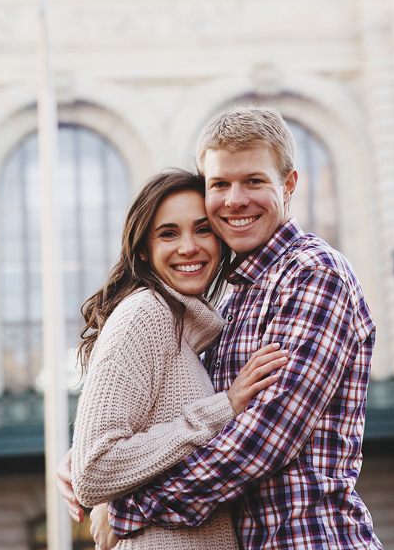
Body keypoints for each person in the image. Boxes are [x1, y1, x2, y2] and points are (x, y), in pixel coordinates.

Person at [80, 107, 383, 550]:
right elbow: (172, 413)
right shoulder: (228, 298)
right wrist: (94, 460)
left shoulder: (314, 274)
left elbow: (264, 438)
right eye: (219, 184)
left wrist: (131, 506)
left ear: (290, 184)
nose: (235, 200)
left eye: (254, 181)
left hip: (308, 539)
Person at [62, 167, 288, 549]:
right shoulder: (145, 314)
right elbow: (94, 469)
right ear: (143, 250)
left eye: (203, 230)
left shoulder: (186, 327)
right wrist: (225, 407)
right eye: (168, 233)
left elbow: (141, 431)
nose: (189, 247)